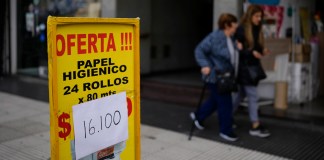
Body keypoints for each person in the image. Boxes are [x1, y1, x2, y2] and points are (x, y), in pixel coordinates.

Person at [191, 13, 241, 142]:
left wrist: (237, 48)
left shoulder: (230, 37)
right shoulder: (214, 37)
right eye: (234, 26)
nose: (236, 28)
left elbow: (229, 54)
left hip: (227, 76)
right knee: (226, 104)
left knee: (214, 101)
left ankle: (198, 116)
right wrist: (205, 65)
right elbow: (199, 50)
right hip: (216, 76)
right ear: (226, 25)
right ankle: (226, 131)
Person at [233, 5, 271, 138]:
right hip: (244, 68)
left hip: (253, 68)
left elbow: (256, 48)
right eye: (257, 16)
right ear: (250, 16)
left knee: (240, 95)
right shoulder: (241, 30)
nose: (259, 19)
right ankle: (255, 125)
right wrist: (252, 53)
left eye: (260, 16)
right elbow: (237, 51)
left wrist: (262, 51)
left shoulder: (257, 29)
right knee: (253, 96)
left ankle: (227, 117)